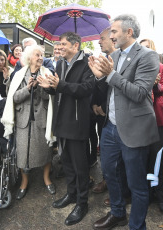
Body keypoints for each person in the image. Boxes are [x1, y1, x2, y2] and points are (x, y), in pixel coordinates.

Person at [88, 14, 159, 230]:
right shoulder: (116, 55)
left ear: (129, 32)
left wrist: (110, 75)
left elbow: (138, 93)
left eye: (114, 31)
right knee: (110, 173)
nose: (110, 36)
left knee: (136, 184)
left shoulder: (148, 56)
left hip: (134, 129)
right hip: (110, 128)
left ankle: (137, 226)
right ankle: (118, 213)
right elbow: (112, 89)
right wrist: (100, 76)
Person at [38, 32, 94, 226]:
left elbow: (86, 89)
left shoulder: (88, 63)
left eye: (63, 44)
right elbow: (57, 89)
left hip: (77, 122)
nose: (59, 47)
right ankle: (71, 194)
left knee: (80, 166)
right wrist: (48, 87)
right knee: (66, 161)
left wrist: (60, 85)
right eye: (59, 44)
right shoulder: (60, 64)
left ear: (75, 46)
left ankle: (82, 203)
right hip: (61, 120)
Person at [2, 45, 55, 201]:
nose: (41, 58)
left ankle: (46, 179)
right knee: (23, 153)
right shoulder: (19, 75)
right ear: (29, 58)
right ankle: (24, 183)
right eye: (38, 55)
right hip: (23, 120)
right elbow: (15, 98)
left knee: (46, 151)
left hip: (42, 118)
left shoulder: (47, 73)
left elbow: (50, 98)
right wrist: (28, 88)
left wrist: (43, 87)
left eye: (42, 55)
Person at [91, 27, 117, 195]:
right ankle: (107, 179)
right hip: (100, 115)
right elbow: (97, 86)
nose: (99, 41)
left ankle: (118, 187)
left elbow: (116, 89)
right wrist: (95, 104)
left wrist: (105, 108)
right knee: (106, 154)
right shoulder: (102, 59)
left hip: (115, 115)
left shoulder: (120, 59)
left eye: (102, 38)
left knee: (118, 157)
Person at [140, 38, 163, 212]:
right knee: (145, 159)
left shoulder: (160, 68)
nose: (144, 50)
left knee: (158, 160)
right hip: (140, 121)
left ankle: (159, 194)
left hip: (157, 121)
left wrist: (156, 86)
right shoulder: (137, 68)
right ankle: (147, 193)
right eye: (141, 48)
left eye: (147, 48)